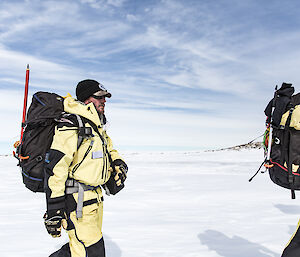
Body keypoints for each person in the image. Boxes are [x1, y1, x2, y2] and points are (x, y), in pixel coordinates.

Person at [43, 79, 128, 257]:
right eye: (100, 97)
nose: (104, 101)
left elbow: (109, 149)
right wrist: (54, 208)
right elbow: (57, 167)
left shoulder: (96, 126)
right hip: (77, 202)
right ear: (87, 99)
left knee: (80, 246)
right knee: (91, 251)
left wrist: (118, 163)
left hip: (94, 200)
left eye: (105, 98)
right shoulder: (71, 124)